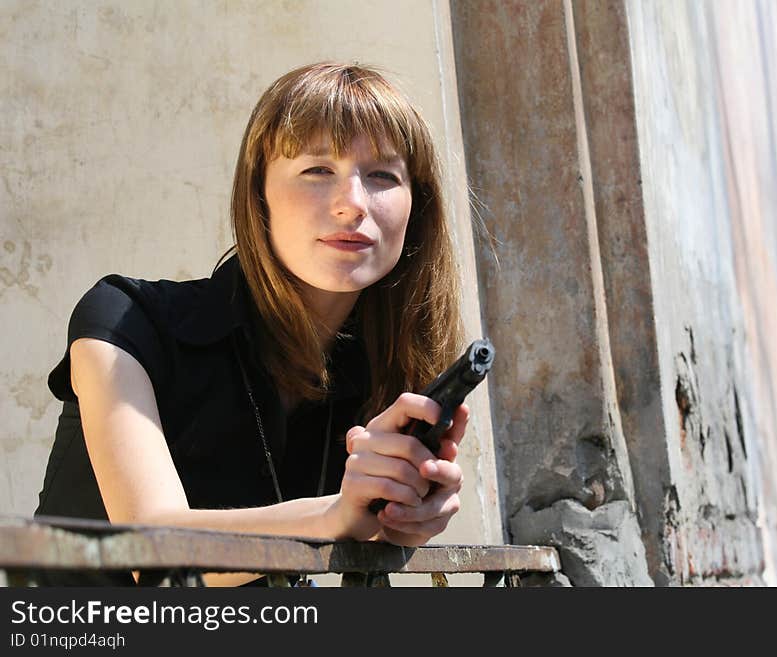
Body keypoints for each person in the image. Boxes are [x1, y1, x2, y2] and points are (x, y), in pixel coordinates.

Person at [34, 62, 469, 586]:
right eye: (317, 170)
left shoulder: (384, 362)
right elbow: (152, 550)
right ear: (257, 193)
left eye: (382, 175)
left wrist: (398, 512)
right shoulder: (123, 320)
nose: (353, 204)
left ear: (415, 207)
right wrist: (334, 514)